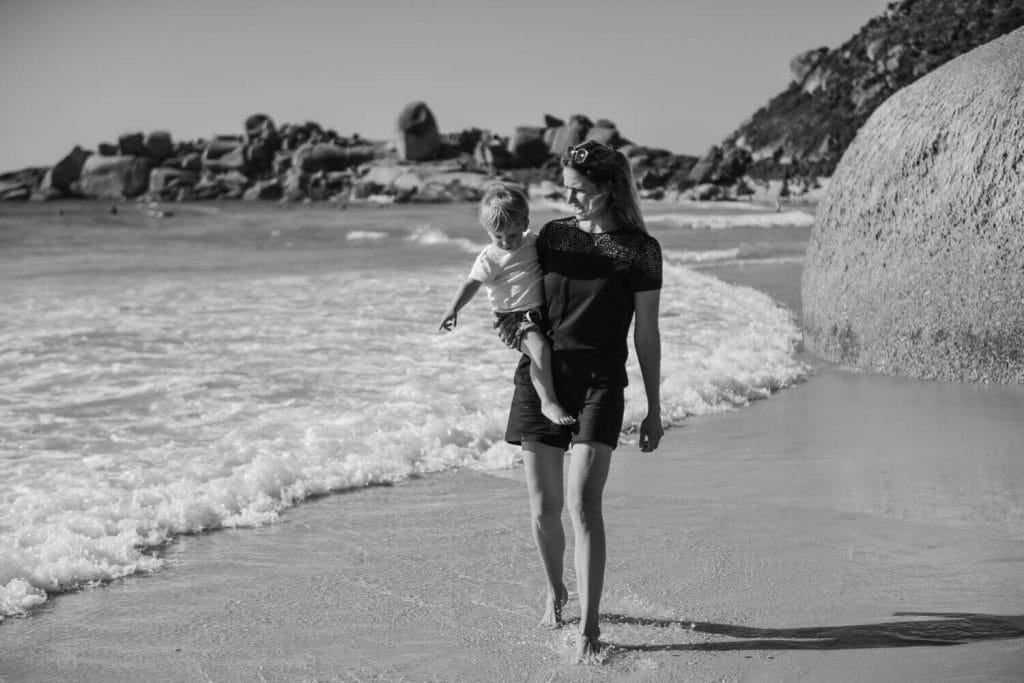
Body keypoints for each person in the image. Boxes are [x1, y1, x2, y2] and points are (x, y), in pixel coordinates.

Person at [498, 139, 664, 663]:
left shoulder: (641, 249)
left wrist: (654, 407)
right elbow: (511, 294)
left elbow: (647, 334)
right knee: (545, 511)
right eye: (566, 190)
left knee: (582, 505)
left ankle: (590, 628)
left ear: (609, 189)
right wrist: (517, 329)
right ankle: (555, 591)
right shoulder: (552, 236)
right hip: (542, 381)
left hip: (600, 386)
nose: (570, 201)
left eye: (579, 192)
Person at [439, 182, 576, 426]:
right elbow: (471, 283)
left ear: (525, 224)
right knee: (540, 350)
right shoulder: (490, 257)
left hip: (540, 313)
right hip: (512, 318)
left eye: (512, 235)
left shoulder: (533, 240)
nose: (505, 242)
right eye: (497, 236)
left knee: (552, 350)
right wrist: (453, 309)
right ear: (487, 231)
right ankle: (548, 402)